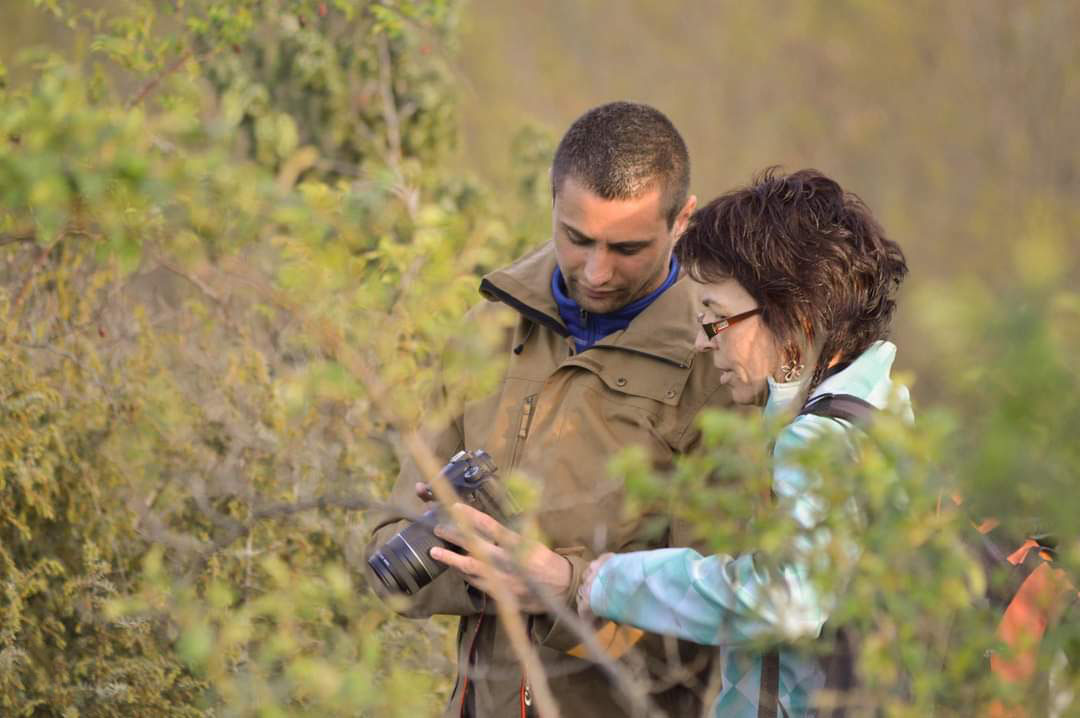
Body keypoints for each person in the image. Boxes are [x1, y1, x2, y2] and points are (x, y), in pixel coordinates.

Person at [365, 102, 732, 718]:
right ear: (553, 203)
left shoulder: (718, 369)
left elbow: (719, 613)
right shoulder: (487, 330)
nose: (596, 271)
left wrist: (562, 589)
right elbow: (389, 549)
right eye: (577, 237)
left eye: (627, 247)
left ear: (682, 221)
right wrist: (489, 568)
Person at [575, 168, 912, 717]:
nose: (704, 343)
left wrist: (620, 581)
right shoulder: (883, 411)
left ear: (795, 318)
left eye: (716, 319)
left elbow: (788, 601)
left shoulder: (815, 441)